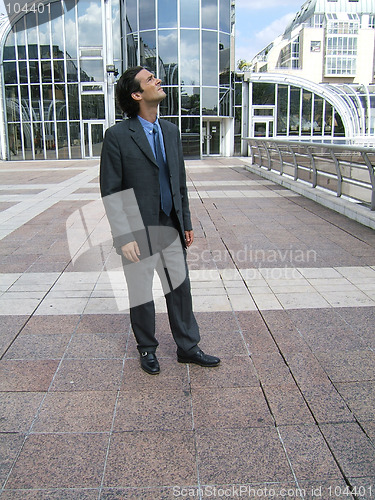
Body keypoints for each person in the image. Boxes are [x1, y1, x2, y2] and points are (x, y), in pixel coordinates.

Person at [100, 66, 220, 375]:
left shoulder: (170, 131)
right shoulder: (117, 136)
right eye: (151, 79)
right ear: (137, 94)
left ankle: (188, 347)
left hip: (170, 224)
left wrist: (186, 221)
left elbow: (178, 181)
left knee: (179, 288)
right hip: (138, 228)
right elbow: (111, 191)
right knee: (141, 291)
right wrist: (123, 236)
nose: (158, 81)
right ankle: (147, 348)